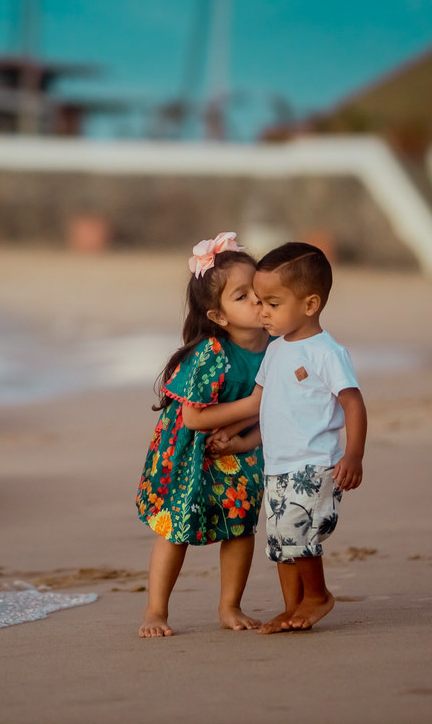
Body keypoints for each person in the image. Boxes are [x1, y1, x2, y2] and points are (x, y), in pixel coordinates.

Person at [211, 241, 367, 634]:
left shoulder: (325, 352)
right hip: (278, 463)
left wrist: (353, 455)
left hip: (315, 462)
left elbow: (353, 404)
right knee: (280, 540)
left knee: (300, 532)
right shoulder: (275, 351)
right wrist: (240, 440)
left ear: (310, 305)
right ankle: (293, 607)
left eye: (273, 304)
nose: (262, 311)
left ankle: (318, 595)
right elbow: (269, 410)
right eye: (259, 302)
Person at [135, 232, 271, 638]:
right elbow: (194, 419)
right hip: (190, 452)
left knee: (240, 524)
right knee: (175, 527)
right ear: (219, 316)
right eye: (242, 297)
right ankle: (155, 611)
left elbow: (282, 408)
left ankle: (230, 606)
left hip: (244, 446)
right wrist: (250, 406)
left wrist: (247, 434)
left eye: (260, 292)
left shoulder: (278, 346)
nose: (257, 302)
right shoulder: (211, 353)